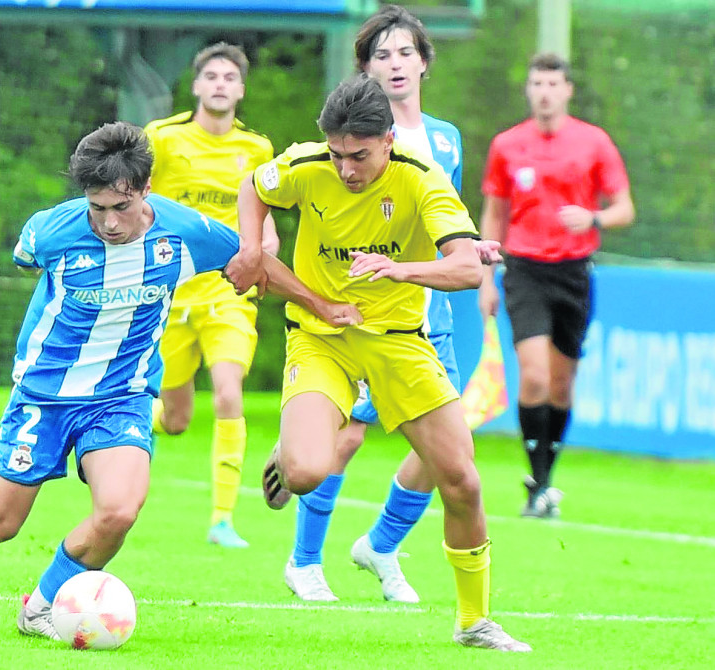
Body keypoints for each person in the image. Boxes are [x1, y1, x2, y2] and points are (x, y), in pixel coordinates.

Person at [0, 122, 361, 641]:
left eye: (121, 207)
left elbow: (253, 261)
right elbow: (25, 263)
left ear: (147, 188)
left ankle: (39, 607)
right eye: (97, 207)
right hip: (43, 396)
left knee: (120, 511)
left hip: (122, 396)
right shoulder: (50, 231)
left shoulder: (185, 232)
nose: (109, 222)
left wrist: (320, 304)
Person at [225, 76, 531, 651]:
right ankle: (295, 451)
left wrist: (401, 269)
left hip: (397, 340)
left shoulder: (422, 179)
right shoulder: (307, 163)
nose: (345, 169)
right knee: (307, 472)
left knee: (462, 481)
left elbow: (467, 269)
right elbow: (253, 186)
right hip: (321, 336)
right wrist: (250, 247)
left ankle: (474, 621)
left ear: (388, 141)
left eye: (359, 156)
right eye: (338, 155)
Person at [282, 4, 494, 605]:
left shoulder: (445, 139)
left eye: (405, 52)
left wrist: (473, 250)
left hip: (427, 317)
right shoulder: (344, 142)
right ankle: (305, 562)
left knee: (448, 454)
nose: (395, 63)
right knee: (339, 441)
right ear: (365, 69)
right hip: (350, 316)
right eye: (382, 54)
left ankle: (381, 543)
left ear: (424, 62)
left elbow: (443, 228)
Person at [479, 53, 634, 518]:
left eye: (552, 83)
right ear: (528, 90)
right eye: (536, 83)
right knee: (534, 375)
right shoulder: (507, 145)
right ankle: (538, 482)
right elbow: (494, 213)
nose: (544, 92)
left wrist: (593, 217)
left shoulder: (593, 142)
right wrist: (487, 275)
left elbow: (624, 207)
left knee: (562, 385)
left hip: (574, 271)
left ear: (567, 90)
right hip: (524, 269)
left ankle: (546, 478)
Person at [144, 43, 279, 549]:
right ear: (196, 86)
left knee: (228, 391)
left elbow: (263, 220)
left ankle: (222, 519)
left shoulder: (258, 150)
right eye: (211, 76)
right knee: (176, 420)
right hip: (169, 294)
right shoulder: (162, 139)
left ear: (241, 90)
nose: (221, 83)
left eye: (230, 77)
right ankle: (145, 426)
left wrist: (265, 247)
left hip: (228, 293)